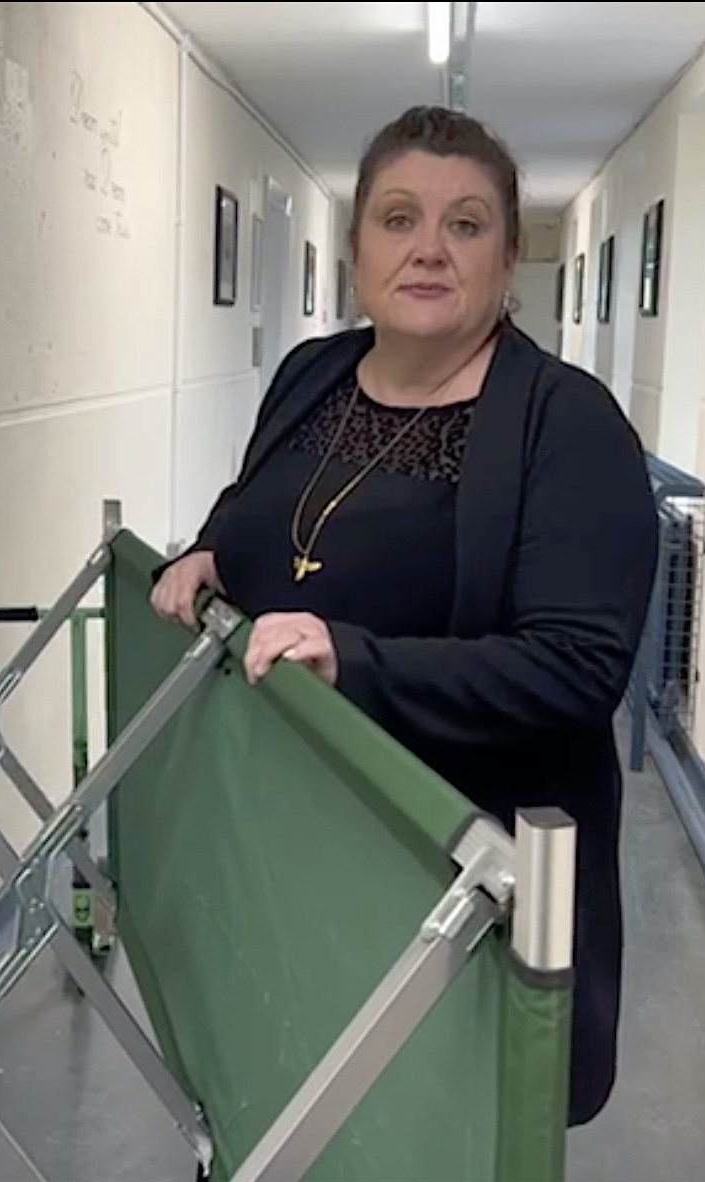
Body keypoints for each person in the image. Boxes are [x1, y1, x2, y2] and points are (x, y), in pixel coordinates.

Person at [151, 104, 659, 1129]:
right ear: (354, 251)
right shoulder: (313, 376)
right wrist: (212, 545)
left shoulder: (566, 425)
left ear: (508, 257)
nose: (428, 248)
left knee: (427, 1133)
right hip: (290, 849)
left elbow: (574, 667)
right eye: (397, 218)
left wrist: (358, 661)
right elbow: (260, 503)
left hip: (453, 887)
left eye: (465, 224)